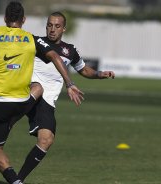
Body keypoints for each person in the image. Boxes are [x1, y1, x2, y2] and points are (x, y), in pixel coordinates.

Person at [0, 2, 84, 184]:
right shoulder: (31, 39)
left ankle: (16, 181)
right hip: (22, 101)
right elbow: (55, 56)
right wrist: (70, 84)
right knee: (38, 88)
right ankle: (16, 123)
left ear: (4, 19)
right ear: (23, 20)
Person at [17, 12, 115, 182]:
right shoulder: (35, 43)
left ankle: (17, 180)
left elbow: (84, 70)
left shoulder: (70, 50)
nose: (52, 29)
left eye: (57, 26)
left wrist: (100, 74)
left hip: (47, 102)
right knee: (35, 90)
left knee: (46, 140)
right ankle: (6, 123)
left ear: (64, 29)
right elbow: (11, 55)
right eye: (49, 25)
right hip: (30, 92)